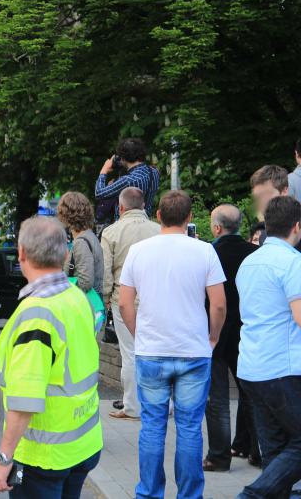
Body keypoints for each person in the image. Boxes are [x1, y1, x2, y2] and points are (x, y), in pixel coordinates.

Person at [118, 190, 226, 499]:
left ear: (159, 216)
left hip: (152, 351)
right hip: (193, 350)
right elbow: (218, 305)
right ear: (190, 217)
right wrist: (213, 337)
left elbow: (125, 304)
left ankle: (149, 493)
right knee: (190, 427)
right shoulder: (204, 251)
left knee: (152, 426)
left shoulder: (139, 251)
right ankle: (190, 495)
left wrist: (140, 335)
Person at [0, 216, 102, 496]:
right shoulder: (77, 297)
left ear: (22, 253)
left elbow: (25, 398)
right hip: (83, 444)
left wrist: (4, 460)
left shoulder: (36, 315)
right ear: (65, 254)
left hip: (45, 456)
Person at [235, 196, 301, 498]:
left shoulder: (249, 262)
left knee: (274, 453)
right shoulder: (292, 262)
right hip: (283, 369)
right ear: (297, 227)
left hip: (251, 368)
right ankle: (251, 495)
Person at [202, 205, 260, 472]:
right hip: (247, 331)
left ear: (216, 228)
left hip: (215, 331)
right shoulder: (255, 253)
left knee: (217, 399)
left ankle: (219, 455)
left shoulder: (208, 254)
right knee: (250, 393)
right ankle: (255, 449)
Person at [100, 187, 160, 421]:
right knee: (157, 352)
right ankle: (163, 404)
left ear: (121, 207)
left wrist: (105, 302)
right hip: (156, 301)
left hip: (123, 302)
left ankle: (133, 406)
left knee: (131, 355)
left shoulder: (111, 232)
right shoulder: (159, 230)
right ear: (144, 205)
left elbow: (106, 272)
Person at [94, 137, 160, 216]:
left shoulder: (128, 180)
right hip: (146, 220)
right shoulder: (154, 171)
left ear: (123, 158)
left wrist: (104, 170)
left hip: (127, 224)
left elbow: (99, 193)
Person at [57, 192, 103, 296]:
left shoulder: (81, 242)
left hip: (83, 304)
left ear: (66, 214)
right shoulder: (90, 236)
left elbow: (86, 283)